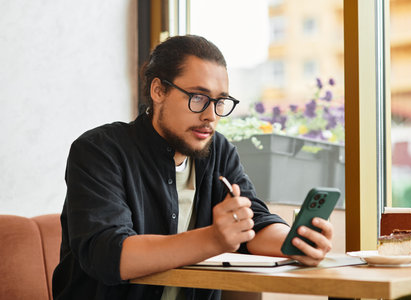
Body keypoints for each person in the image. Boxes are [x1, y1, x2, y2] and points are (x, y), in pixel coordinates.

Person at [52, 35, 333, 300]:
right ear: (158, 90)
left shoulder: (218, 151)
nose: (211, 115)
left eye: (220, 101)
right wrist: (214, 238)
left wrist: (296, 242)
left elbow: (254, 222)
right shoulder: (99, 150)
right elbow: (109, 256)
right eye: (198, 97)